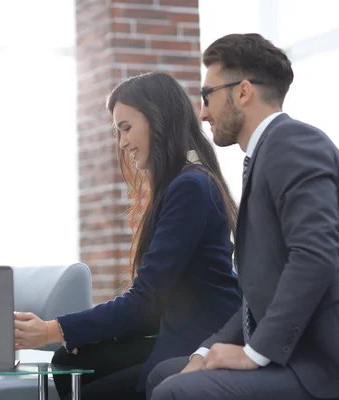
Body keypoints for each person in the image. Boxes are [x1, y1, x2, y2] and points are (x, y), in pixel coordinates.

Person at [146, 33, 339, 400]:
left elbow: (314, 255)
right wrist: (208, 351)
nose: (202, 114)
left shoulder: (291, 142)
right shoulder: (269, 152)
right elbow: (258, 295)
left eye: (207, 96)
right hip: (303, 354)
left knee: (178, 391)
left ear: (243, 91)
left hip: (338, 368)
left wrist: (254, 353)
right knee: (166, 374)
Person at [13, 72, 242, 400]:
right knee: (67, 362)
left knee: (88, 387)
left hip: (199, 338)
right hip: (174, 327)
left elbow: (144, 301)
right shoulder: (181, 183)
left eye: (126, 128)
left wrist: (50, 330)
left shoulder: (190, 187)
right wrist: (76, 334)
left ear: (158, 121)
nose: (121, 143)